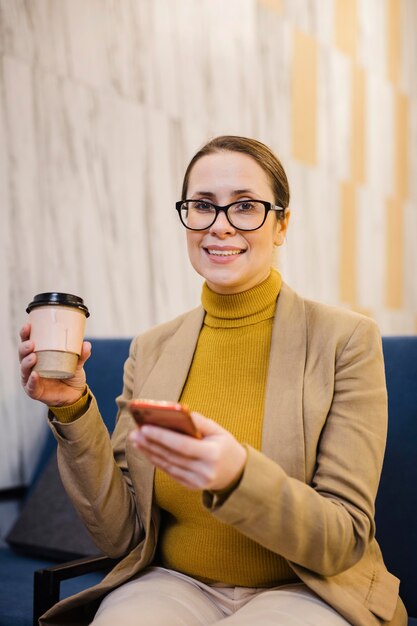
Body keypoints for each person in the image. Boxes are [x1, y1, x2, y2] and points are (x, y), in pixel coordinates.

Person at [19, 136, 407, 626]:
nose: (220, 226)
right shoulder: (152, 348)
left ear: (282, 223)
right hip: (173, 584)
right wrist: (72, 406)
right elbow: (122, 536)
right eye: (203, 206)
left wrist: (237, 477)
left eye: (245, 206)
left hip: (306, 586)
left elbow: (341, 539)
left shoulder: (346, 340)